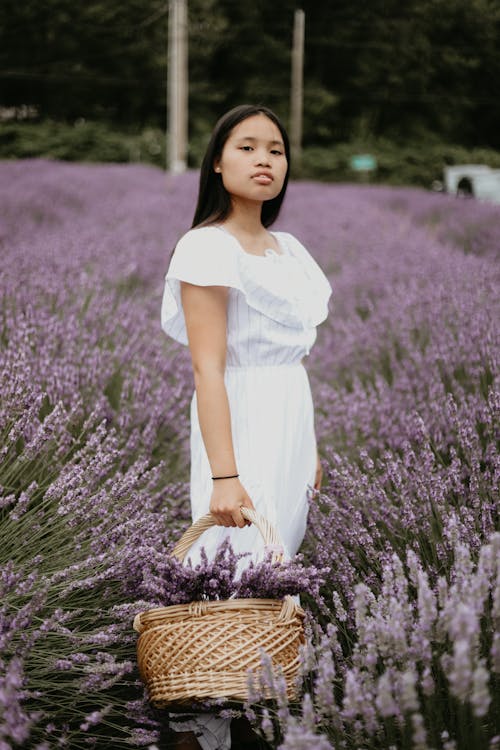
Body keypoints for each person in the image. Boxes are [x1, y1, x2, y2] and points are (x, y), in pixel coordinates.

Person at [160, 104, 333, 750]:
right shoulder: (206, 245)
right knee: (226, 570)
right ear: (217, 161)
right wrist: (225, 476)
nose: (265, 160)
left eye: (277, 150)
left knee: (273, 572)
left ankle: (248, 720)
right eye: (247, 147)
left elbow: (294, 365)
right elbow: (209, 371)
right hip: (238, 419)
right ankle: (197, 728)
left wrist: (310, 450)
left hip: (289, 419)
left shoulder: (289, 250)